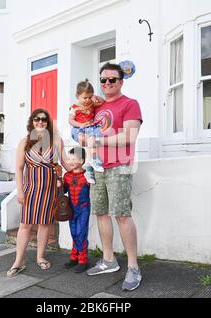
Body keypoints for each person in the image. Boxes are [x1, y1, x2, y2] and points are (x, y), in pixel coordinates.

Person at [86, 63, 143, 292]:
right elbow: (85, 130)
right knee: (100, 213)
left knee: (121, 215)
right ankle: (109, 260)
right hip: (97, 168)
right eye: (103, 80)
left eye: (112, 79)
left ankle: (133, 267)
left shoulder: (130, 104)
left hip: (119, 166)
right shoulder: (96, 108)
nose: (106, 83)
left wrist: (97, 141)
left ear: (121, 81)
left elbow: (129, 136)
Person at [7, 109, 70, 278]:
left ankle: (40, 257)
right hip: (31, 189)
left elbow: (65, 163)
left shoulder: (56, 140)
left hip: (49, 189)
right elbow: (19, 169)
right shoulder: (24, 142)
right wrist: (20, 190)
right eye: (37, 119)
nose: (40, 122)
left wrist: (83, 165)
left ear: (48, 122)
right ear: (32, 122)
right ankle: (19, 261)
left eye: (44, 119)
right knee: (25, 224)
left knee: (44, 224)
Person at [69, 79, 105, 184]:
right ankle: (94, 159)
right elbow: (70, 120)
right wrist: (80, 125)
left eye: (90, 97)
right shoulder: (74, 108)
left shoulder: (91, 104)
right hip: (79, 129)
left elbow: (102, 101)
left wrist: (96, 97)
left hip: (90, 128)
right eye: (85, 98)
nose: (87, 100)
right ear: (77, 96)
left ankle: (89, 172)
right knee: (89, 142)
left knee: (90, 142)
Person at [62, 147, 91, 273]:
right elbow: (63, 191)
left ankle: (83, 260)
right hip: (71, 209)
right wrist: (59, 185)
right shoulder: (67, 176)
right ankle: (74, 257)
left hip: (83, 208)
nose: (70, 161)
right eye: (69, 159)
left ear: (82, 160)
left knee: (81, 233)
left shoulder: (87, 175)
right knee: (73, 232)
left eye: (73, 159)